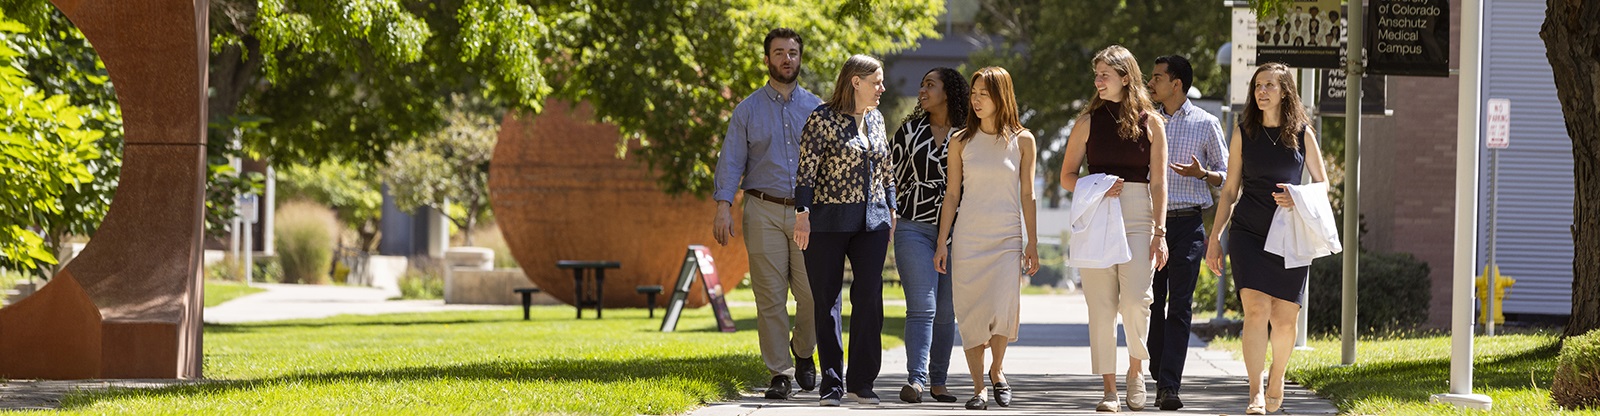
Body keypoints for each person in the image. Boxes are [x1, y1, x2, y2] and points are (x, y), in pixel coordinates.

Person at [1205, 62, 1330, 415]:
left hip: (1290, 235)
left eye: (1269, 86)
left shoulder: (1303, 133)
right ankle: (1256, 391)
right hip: (1249, 232)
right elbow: (1230, 190)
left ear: (1285, 91)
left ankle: (1278, 375)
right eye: (1258, 86)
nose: (1261, 92)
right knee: (1257, 310)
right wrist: (1215, 237)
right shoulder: (1244, 132)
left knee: (1285, 319)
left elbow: (1323, 184)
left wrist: (1299, 196)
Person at [710, 27, 820, 400]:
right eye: (778, 52)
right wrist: (723, 207)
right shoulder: (747, 110)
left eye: (792, 52)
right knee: (770, 298)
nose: (786, 58)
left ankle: (803, 351)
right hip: (762, 210)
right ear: (767, 59)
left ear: (800, 58)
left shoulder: (818, 109)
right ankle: (780, 373)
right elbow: (731, 162)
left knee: (812, 295)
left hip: (807, 215)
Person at [1058, 45, 1169, 413]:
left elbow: (1159, 184)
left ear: (1125, 77)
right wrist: (1098, 185)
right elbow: (1067, 176)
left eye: (1105, 74)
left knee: (1137, 299)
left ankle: (1136, 369)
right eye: (1097, 75)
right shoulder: (1087, 122)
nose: (1098, 81)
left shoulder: (1151, 122)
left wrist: (1160, 232)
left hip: (1139, 212)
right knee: (1101, 308)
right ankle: (1109, 389)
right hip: (1097, 211)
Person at [933, 66, 1040, 411]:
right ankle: (979, 389)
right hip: (969, 238)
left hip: (1007, 237)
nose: (976, 100)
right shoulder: (960, 141)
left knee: (1001, 309)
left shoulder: (1023, 140)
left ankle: (997, 369)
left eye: (984, 94)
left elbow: (1028, 195)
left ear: (1001, 96)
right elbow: (951, 195)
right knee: (972, 313)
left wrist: (1032, 242)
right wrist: (941, 242)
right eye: (974, 94)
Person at [794, 54, 894, 407]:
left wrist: (892, 209)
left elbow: (886, 170)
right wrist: (802, 214)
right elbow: (806, 171)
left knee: (869, 300)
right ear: (856, 82)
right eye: (876, 82)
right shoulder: (822, 119)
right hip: (827, 222)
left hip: (873, 222)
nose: (882, 88)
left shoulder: (878, 119)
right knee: (827, 301)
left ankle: (862, 383)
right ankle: (832, 385)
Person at [1145, 55, 1228, 411]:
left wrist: (1202, 174)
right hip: (1150, 224)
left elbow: (1225, 176)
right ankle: (1158, 363)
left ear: (1176, 84)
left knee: (1179, 305)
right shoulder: (1144, 122)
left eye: (1157, 78)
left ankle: (1168, 386)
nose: (1151, 84)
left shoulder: (1206, 123)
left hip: (1189, 225)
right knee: (1151, 303)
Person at [891, 67, 970, 404]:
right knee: (922, 306)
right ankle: (917, 380)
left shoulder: (969, 134)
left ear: (948, 92)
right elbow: (889, 179)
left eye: (929, 85)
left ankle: (939, 380)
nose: (922, 90)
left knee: (946, 309)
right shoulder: (908, 132)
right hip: (913, 227)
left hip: (957, 233)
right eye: (921, 84)